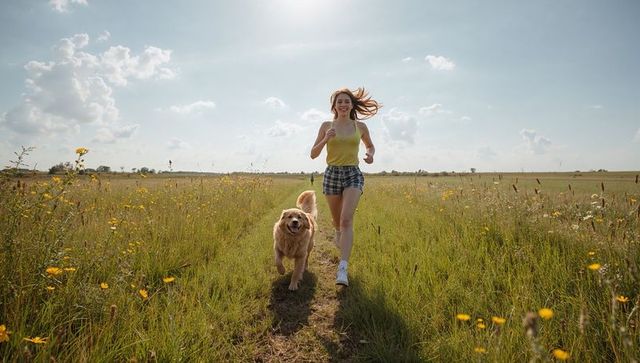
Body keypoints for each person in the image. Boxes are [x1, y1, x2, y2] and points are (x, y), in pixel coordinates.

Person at [310, 87, 380, 286]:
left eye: (346, 101)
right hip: (332, 173)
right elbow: (313, 154)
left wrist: (371, 155)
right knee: (337, 222)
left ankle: (343, 268)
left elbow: (370, 145)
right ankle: (338, 232)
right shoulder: (326, 125)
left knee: (347, 219)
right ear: (334, 106)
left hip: (352, 174)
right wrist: (325, 139)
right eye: (339, 101)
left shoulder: (361, 127)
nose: (343, 104)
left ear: (351, 105)